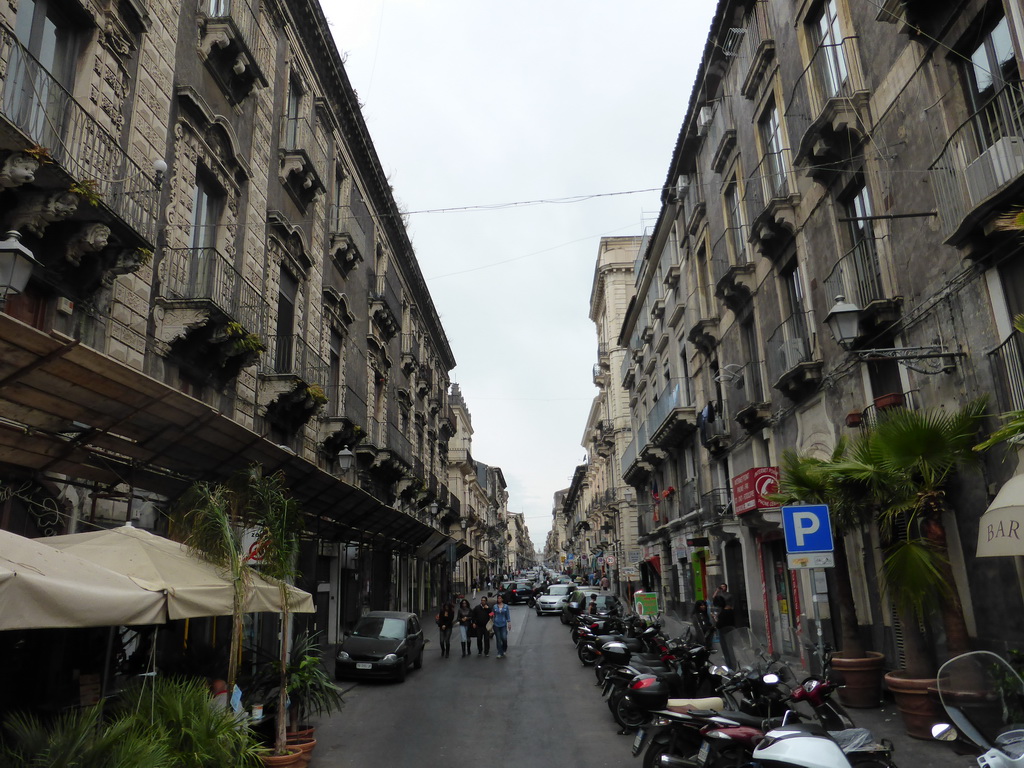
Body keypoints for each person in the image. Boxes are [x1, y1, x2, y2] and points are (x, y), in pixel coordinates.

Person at [491, 593, 512, 658]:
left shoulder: (505, 606)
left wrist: (509, 623)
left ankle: (504, 649)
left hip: (503, 624)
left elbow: (507, 615)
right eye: (498, 598)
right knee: (498, 639)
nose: (499, 599)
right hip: (496, 624)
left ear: (502, 599)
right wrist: (490, 614)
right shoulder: (495, 606)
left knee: (504, 638)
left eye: (500, 598)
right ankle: (499, 652)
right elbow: (492, 613)